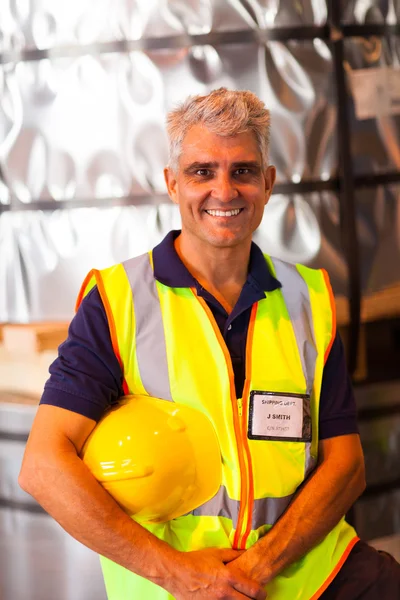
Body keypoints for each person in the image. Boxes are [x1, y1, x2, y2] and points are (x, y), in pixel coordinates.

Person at [19, 88, 400, 600]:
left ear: (267, 184)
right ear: (172, 183)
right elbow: (44, 465)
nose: (224, 190)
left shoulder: (309, 298)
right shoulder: (117, 302)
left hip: (308, 570)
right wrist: (181, 574)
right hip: (179, 585)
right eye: (202, 172)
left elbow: (346, 465)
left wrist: (260, 566)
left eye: (242, 171)